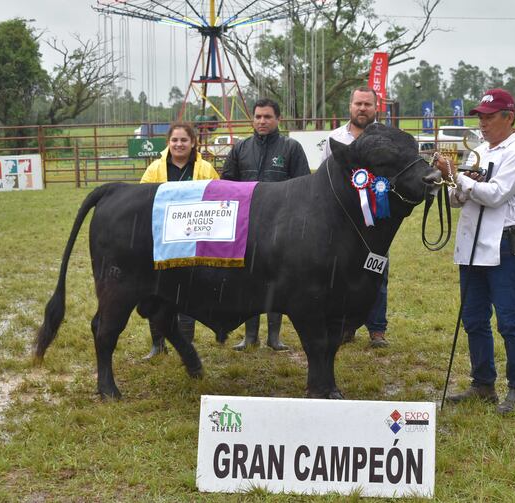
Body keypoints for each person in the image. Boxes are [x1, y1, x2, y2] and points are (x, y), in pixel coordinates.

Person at [436, 88, 515, 415]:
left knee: (508, 320)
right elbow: (457, 199)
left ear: (509, 118)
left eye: (489, 117)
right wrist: (452, 182)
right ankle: (483, 384)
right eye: (480, 116)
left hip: (505, 244)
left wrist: (459, 179)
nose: (483, 123)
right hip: (472, 244)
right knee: (474, 318)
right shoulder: (478, 150)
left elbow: (495, 195)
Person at [221, 98, 310, 351]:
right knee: (249, 281)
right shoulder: (240, 148)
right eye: (258, 116)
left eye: (267, 117)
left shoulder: (291, 148)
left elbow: (303, 186)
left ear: (277, 119)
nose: (262, 121)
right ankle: (250, 336)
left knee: (277, 280)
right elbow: (226, 183)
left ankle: (274, 337)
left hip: (280, 227)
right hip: (246, 227)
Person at [139, 121, 220, 359]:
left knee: (187, 292)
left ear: (193, 142)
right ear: (168, 143)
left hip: (192, 240)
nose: (179, 144)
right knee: (156, 291)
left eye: (184, 140)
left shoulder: (205, 168)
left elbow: (217, 196)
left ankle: (185, 346)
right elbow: (142, 198)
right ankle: (157, 344)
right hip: (161, 239)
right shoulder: (154, 168)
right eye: (174, 140)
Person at [320, 85, 389, 348]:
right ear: (350, 106)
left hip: (376, 220)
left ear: (376, 108)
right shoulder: (334, 139)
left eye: (367, 104)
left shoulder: (386, 137)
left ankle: (377, 329)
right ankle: (345, 326)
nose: (362, 108)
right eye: (358, 104)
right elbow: (326, 177)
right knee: (341, 274)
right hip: (342, 220)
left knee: (376, 272)